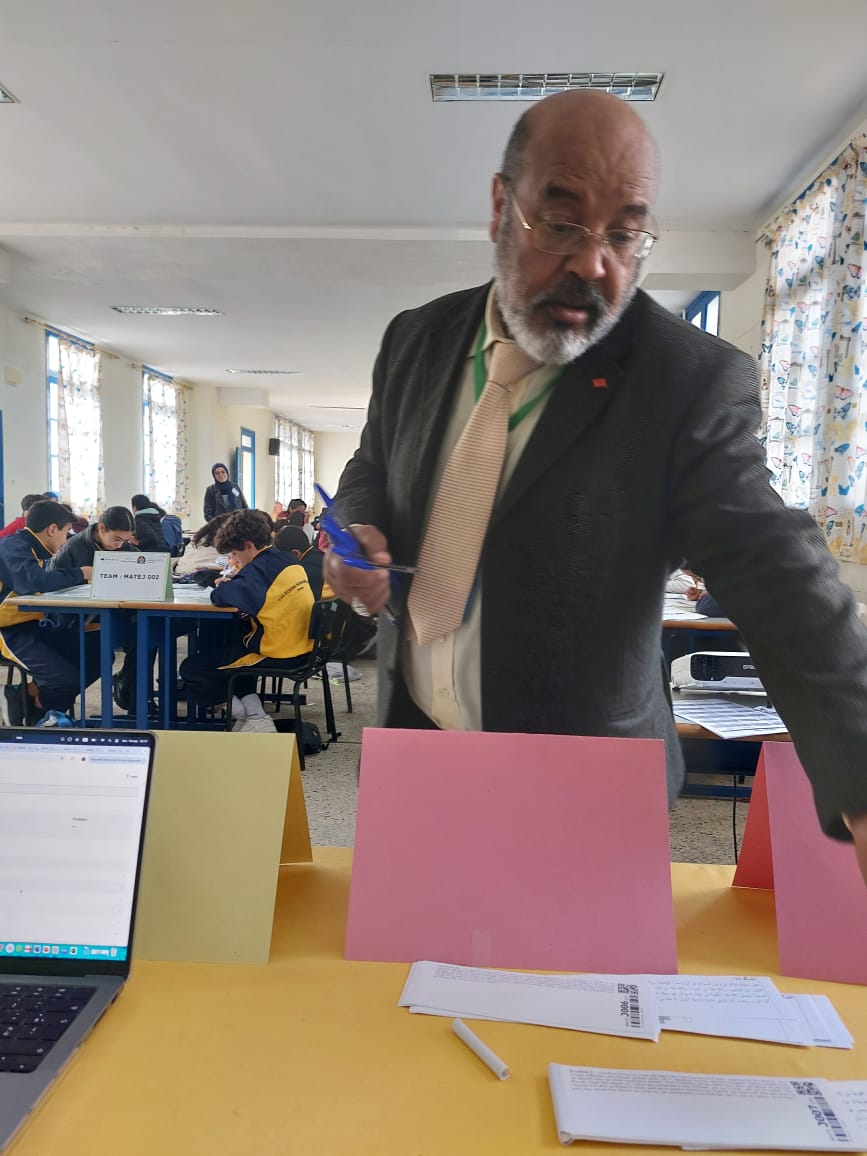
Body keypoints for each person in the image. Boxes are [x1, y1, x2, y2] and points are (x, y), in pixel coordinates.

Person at [324, 87, 867, 883]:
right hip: (416, 750)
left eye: (624, 234)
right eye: (561, 223)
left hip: (583, 784)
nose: (593, 263)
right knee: (395, 957)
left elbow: (776, 571)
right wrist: (358, 527)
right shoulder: (414, 339)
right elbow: (371, 464)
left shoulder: (685, 381)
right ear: (500, 206)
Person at [178, 509, 315, 733]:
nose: (234, 559)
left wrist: (226, 585)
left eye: (234, 553)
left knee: (193, 669)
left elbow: (219, 597)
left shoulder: (257, 571)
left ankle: (246, 718)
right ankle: (255, 717)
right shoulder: (286, 559)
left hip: (277, 650)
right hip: (303, 646)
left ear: (248, 546)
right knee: (234, 653)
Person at [0, 499, 99, 726]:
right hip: (8, 630)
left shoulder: (39, 549)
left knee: (96, 655)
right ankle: (37, 718)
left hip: (33, 624)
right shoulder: (12, 546)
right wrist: (81, 573)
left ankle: (25, 697)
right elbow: (32, 581)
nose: (66, 540)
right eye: (66, 532)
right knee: (65, 680)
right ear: (52, 529)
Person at [51, 505, 136, 570]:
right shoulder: (72, 548)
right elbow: (56, 578)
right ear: (102, 528)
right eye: (116, 539)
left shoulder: (129, 550)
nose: (119, 545)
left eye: (125, 540)